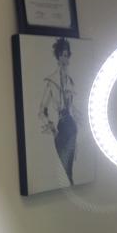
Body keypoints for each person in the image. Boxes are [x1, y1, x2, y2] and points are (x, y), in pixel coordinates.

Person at [38, 37, 78, 185]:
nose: (65, 58)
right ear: (58, 56)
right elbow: (41, 110)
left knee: (70, 171)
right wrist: (53, 129)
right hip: (61, 128)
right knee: (65, 168)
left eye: (67, 55)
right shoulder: (51, 82)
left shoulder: (70, 82)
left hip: (72, 128)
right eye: (62, 55)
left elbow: (72, 110)